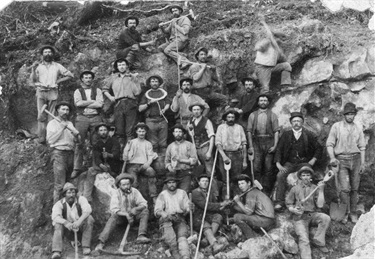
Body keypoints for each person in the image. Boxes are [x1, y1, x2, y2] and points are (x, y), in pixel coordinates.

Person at [326, 102, 366, 223]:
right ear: (344, 115)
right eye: (348, 114)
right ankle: (344, 213)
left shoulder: (358, 127)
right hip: (341, 160)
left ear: (355, 115)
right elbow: (329, 144)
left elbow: (362, 147)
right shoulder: (336, 127)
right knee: (344, 189)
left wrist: (363, 163)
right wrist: (332, 157)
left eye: (352, 114)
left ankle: (353, 212)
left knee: (354, 188)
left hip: (356, 159)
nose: (350, 116)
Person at [273, 111, 322, 210]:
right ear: (291, 123)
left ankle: (308, 201)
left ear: (302, 122)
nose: (296, 123)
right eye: (294, 121)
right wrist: (278, 163)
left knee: (307, 175)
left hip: (304, 163)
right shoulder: (286, 134)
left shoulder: (308, 134)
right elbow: (279, 149)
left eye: (298, 121)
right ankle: (280, 201)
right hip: (290, 163)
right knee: (280, 175)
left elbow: (319, 148)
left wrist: (313, 159)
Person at [95, 173, 151, 252]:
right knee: (113, 216)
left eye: (128, 184)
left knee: (145, 211)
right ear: (119, 185)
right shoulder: (116, 193)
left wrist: (136, 208)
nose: (126, 187)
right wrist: (126, 214)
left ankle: (141, 235)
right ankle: (101, 242)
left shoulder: (135, 191)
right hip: (121, 218)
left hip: (133, 217)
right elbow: (114, 209)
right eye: (124, 185)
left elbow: (144, 203)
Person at [30, 45, 74, 144]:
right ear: (42, 54)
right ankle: (41, 138)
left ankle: (50, 138)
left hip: (53, 92)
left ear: (52, 54)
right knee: (41, 116)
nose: (47, 54)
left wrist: (58, 81)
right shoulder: (38, 66)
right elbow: (33, 80)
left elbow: (70, 75)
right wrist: (33, 69)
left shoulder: (57, 66)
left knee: (52, 116)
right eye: (45, 52)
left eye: (49, 52)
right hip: (41, 92)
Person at [286, 166, 330, 258]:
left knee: (325, 218)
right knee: (304, 239)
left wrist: (321, 190)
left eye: (308, 175)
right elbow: (288, 203)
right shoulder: (295, 189)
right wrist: (292, 209)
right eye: (303, 175)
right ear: (300, 177)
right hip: (299, 217)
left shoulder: (315, 187)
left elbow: (320, 205)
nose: (305, 177)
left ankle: (318, 241)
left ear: (311, 177)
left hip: (312, 214)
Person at [102, 58, 141, 148]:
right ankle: (120, 154)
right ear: (117, 67)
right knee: (119, 130)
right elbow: (105, 89)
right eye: (119, 65)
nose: (121, 67)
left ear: (127, 66)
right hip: (118, 104)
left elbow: (137, 92)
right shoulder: (113, 78)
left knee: (130, 130)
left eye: (123, 65)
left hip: (130, 103)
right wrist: (110, 97)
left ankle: (129, 153)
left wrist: (133, 79)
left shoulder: (132, 77)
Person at [46, 101, 80, 203]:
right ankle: (56, 212)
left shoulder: (70, 123)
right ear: (57, 110)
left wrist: (76, 135)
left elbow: (76, 141)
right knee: (60, 185)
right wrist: (61, 128)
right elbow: (51, 140)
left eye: (67, 110)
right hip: (59, 153)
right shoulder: (52, 123)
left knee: (69, 185)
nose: (65, 112)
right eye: (63, 109)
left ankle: (68, 209)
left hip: (71, 153)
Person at [154, 174, 194, 259]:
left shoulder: (182, 193)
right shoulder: (163, 194)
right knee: (171, 237)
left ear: (176, 183)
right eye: (169, 183)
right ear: (166, 184)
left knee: (182, 237)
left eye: (173, 182)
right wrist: (162, 213)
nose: (171, 184)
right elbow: (157, 211)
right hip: (167, 219)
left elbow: (187, 207)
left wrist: (189, 208)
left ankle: (185, 255)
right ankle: (175, 252)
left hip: (179, 218)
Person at [72, 70, 104, 178]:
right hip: (82, 118)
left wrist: (85, 103)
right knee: (79, 142)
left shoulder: (98, 90)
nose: (88, 79)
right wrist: (91, 102)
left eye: (90, 77)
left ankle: (96, 166)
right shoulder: (78, 91)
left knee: (96, 142)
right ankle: (77, 168)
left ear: (92, 79)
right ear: (82, 79)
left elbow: (99, 104)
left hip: (96, 117)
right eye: (86, 77)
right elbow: (78, 103)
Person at [247, 94, 279, 195]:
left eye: (265, 100)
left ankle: (266, 191)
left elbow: (276, 131)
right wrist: (251, 146)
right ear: (258, 102)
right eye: (261, 100)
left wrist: (275, 145)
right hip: (257, 142)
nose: (263, 102)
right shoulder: (253, 115)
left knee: (268, 168)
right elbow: (249, 131)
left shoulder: (273, 115)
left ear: (268, 102)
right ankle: (257, 188)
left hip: (269, 142)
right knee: (256, 167)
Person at [51, 182, 94, 259]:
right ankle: (56, 251)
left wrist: (79, 221)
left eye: (73, 192)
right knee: (58, 224)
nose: (71, 195)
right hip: (68, 229)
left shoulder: (81, 199)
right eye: (69, 193)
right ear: (64, 194)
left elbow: (87, 210)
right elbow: (55, 217)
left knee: (89, 218)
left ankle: (85, 246)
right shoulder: (59, 204)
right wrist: (66, 222)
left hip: (80, 227)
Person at [83, 123, 122, 202]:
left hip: (114, 166)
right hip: (103, 166)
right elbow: (96, 157)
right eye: (101, 130)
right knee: (91, 171)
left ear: (107, 131)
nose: (103, 132)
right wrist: (101, 164)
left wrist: (108, 155)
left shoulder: (114, 141)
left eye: (105, 130)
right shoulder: (97, 144)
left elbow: (116, 155)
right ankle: (87, 196)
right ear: (98, 132)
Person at [191, 174, 229, 254]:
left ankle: (205, 239)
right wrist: (221, 204)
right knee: (205, 225)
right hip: (199, 217)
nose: (205, 183)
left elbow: (214, 205)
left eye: (206, 181)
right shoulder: (195, 192)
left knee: (218, 216)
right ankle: (214, 245)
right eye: (203, 181)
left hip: (208, 215)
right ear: (199, 183)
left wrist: (224, 205)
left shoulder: (210, 192)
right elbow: (205, 205)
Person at [254, 15, 291, 93]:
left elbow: (283, 59)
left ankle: (285, 86)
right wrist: (261, 46)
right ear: (276, 38)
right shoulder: (267, 41)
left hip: (272, 68)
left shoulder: (278, 49)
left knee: (286, 66)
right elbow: (258, 47)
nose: (282, 41)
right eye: (281, 38)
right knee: (265, 88)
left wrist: (282, 56)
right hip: (262, 68)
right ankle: (261, 102)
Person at [231, 174, 275, 240]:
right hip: (265, 218)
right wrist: (234, 206)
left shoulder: (251, 193)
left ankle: (252, 237)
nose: (240, 186)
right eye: (239, 184)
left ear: (249, 183)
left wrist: (238, 202)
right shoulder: (253, 192)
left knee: (237, 217)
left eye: (242, 183)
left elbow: (248, 213)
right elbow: (247, 210)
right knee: (238, 216)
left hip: (266, 219)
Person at [123, 123, 158, 203]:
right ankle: (135, 199)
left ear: (146, 132)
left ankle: (153, 196)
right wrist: (126, 153)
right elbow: (126, 157)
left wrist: (147, 164)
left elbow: (150, 156)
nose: (141, 133)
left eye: (143, 131)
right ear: (136, 132)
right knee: (133, 181)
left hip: (143, 165)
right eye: (139, 131)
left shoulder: (148, 143)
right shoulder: (131, 142)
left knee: (151, 172)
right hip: (132, 165)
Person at [216, 109, 247, 198]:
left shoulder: (239, 127)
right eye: (229, 117)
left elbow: (244, 144)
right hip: (224, 155)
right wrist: (224, 156)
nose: (231, 119)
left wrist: (244, 160)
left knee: (237, 178)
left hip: (237, 155)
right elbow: (218, 144)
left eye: (232, 117)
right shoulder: (221, 127)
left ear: (235, 118)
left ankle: (237, 200)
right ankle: (226, 200)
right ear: (225, 118)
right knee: (225, 179)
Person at [139, 75, 170, 153]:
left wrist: (165, 109)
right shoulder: (146, 94)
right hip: (150, 121)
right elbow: (140, 109)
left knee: (163, 143)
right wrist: (149, 103)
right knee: (153, 144)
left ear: (159, 83)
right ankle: (154, 162)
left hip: (162, 120)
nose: (154, 83)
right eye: (152, 81)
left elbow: (168, 103)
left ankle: (163, 162)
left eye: (156, 81)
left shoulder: (163, 93)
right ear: (150, 83)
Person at [165, 124, 198, 193]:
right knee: (168, 192)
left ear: (183, 133)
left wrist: (181, 160)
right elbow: (167, 161)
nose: (178, 134)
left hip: (186, 173)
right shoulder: (170, 146)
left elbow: (194, 160)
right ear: (173, 133)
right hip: (173, 174)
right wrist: (169, 167)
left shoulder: (189, 145)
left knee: (183, 192)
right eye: (176, 132)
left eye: (180, 132)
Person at [158, 5, 192, 69]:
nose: (174, 12)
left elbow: (185, 31)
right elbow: (166, 31)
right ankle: (181, 54)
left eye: (176, 10)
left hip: (181, 40)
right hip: (173, 41)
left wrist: (175, 25)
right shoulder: (173, 20)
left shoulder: (185, 19)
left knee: (167, 50)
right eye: (173, 11)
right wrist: (161, 27)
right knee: (161, 48)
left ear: (180, 11)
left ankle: (185, 61)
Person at [187, 103, 215, 176]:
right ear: (192, 111)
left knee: (209, 170)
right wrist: (190, 130)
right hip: (195, 149)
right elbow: (191, 135)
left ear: (201, 110)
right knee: (197, 170)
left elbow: (212, 137)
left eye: (198, 109)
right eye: (194, 110)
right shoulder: (190, 121)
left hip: (205, 147)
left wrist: (209, 151)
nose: (196, 111)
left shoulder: (206, 121)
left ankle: (212, 186)